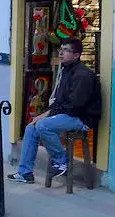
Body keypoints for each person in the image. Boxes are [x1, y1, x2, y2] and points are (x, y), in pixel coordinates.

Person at [8, 37, 102, 183]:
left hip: (82, 118)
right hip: (67, 113)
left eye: (65, 50)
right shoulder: (65, 70)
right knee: (31, 127)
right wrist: (44, 114)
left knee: (43, 125)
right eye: (61, 49)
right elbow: (59, 101)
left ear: (76, 55)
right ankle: (25, 172)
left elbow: (74, 106)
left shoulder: (83, 75)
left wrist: (47, 116)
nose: (61, 53)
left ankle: (61, 160)